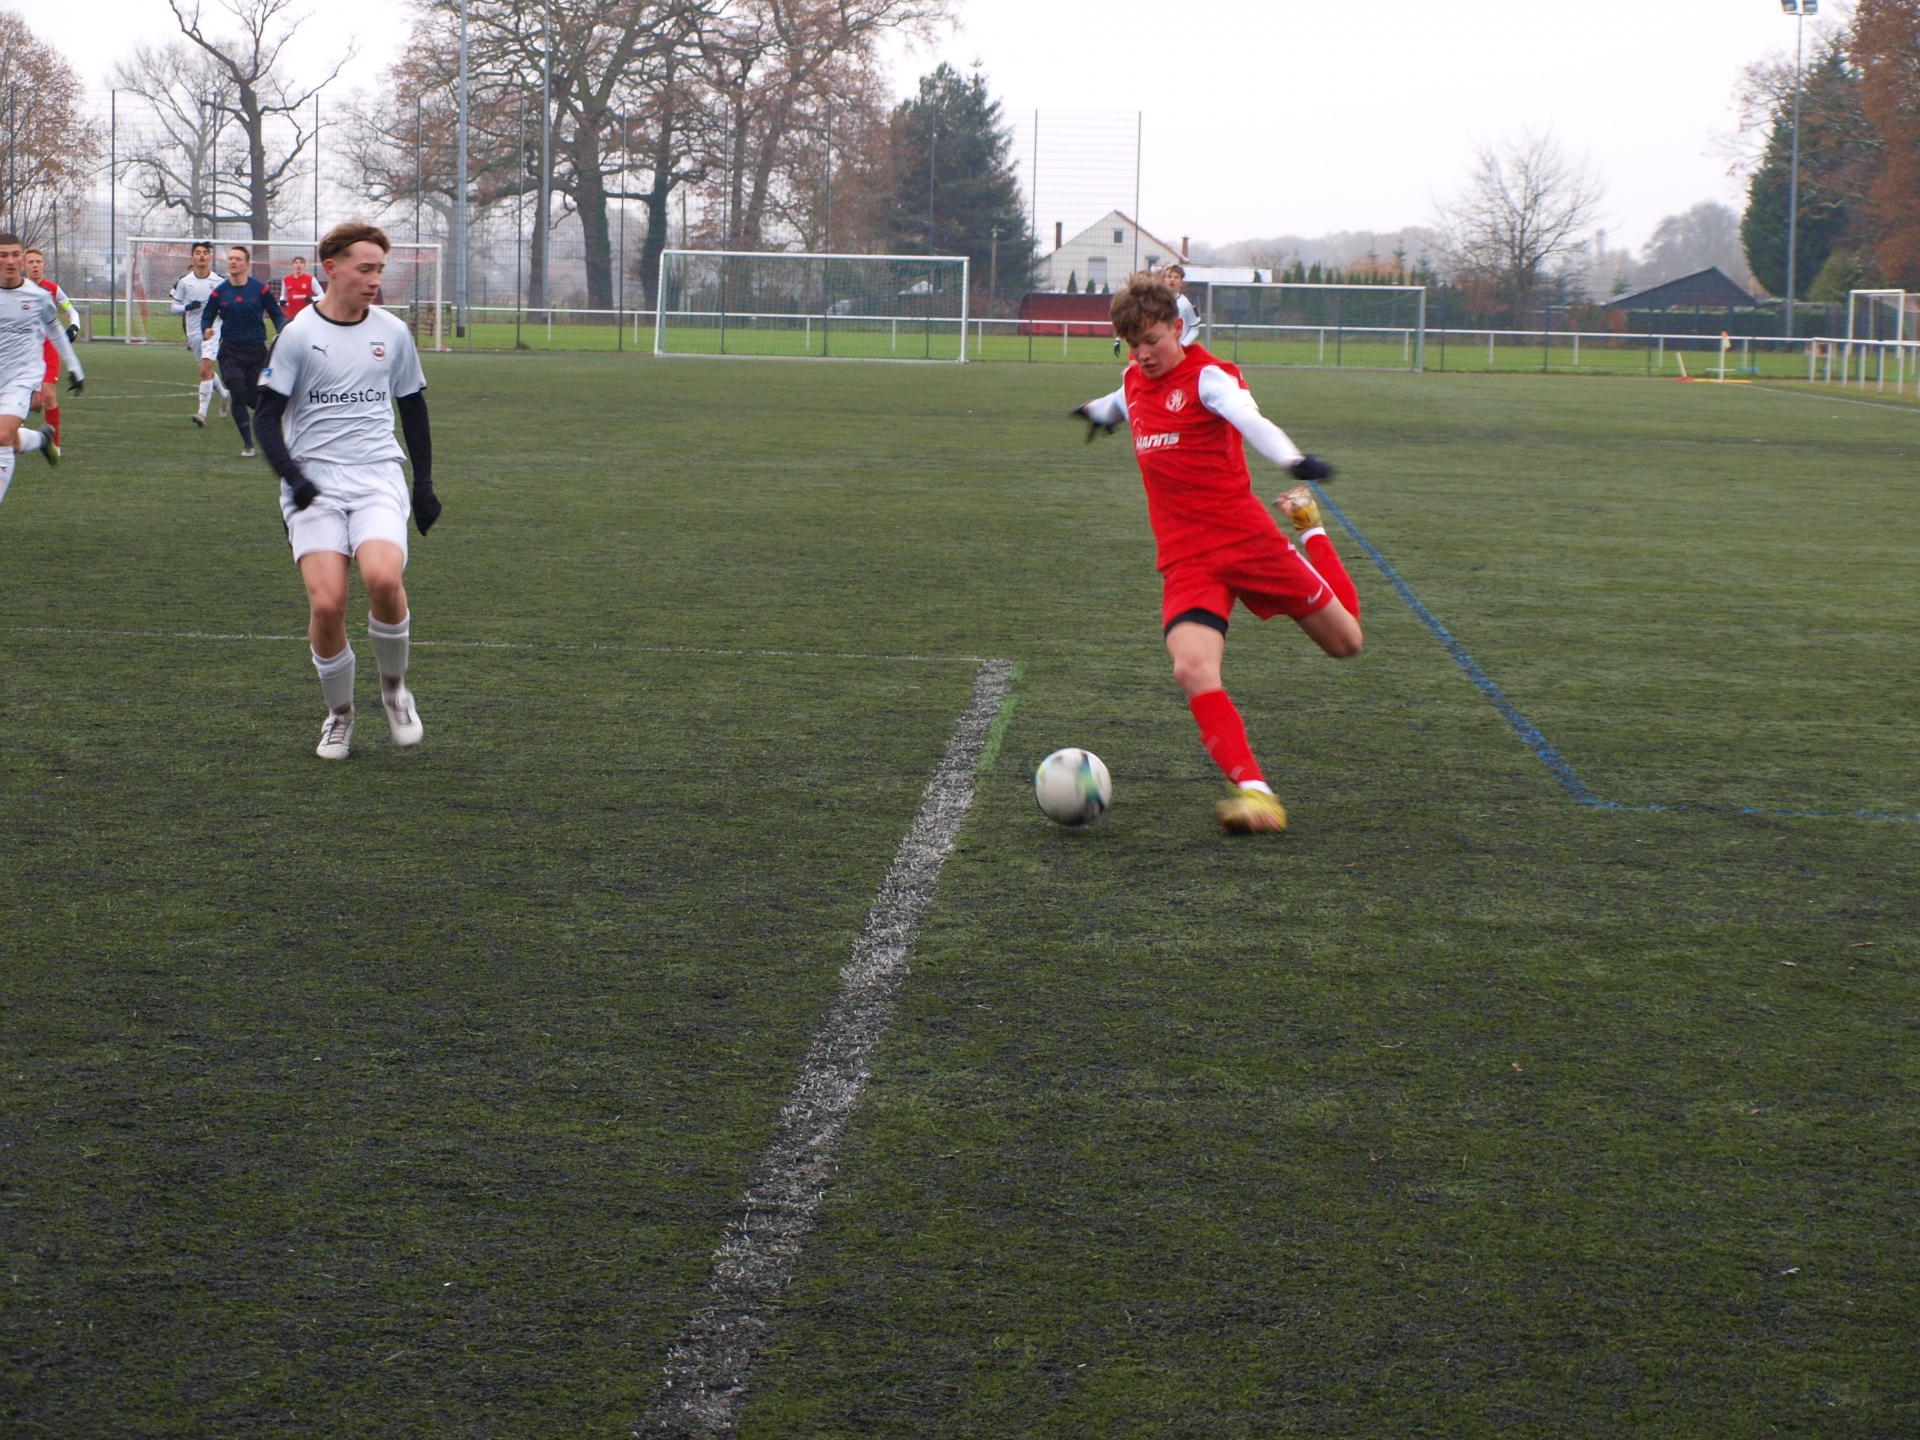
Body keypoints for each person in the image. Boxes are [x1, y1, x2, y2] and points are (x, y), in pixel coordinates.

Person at [1073, 271, 1361, 835]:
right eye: (1134, 346)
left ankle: (1313, 532)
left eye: (1153, 340)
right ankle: (1256, 793)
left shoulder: (1210, 378)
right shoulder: (1133, 382)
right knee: (1191, 667)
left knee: (1347, 642)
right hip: (1188, 560)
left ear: (1178, 328)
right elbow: (1119, 400)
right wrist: (1094, 413)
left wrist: (1294, 461)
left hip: (1247, 541)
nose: (1145, 355)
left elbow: (1249, 418)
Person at [254, 220, 442, 761]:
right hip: (313, 482)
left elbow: (414, 410)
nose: (375, 279)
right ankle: (339, 715)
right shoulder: (295, 335)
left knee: (383, 577)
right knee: (329, 603)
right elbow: (267, 419)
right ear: (330, 269)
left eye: (380, 269)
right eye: (365, 269)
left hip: (376, 475)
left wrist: (424, 486)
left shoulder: (393, 332)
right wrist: (294, 477)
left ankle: (394, 691)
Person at [0, 233, 84, 502]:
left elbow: (56, 329)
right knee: (9, 438)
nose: (10, 261)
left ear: (23, 259)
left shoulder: (39, 295)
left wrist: (75, 367)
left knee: (2, 435)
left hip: (22, 377)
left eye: (15, 254)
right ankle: (41, 439)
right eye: (3, 255)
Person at [201, 244, 287, 457]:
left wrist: (284, 330)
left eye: (238, 259)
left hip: (258, 351)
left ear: (247, 265)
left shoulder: (260, 289)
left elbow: (276, 313)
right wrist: (206, 329)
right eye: (230, 258)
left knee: (258, 398)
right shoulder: (219, 292)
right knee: (238, 392)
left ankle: (276, 425)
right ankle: (248, 444)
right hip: (230, 351)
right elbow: (206, 316)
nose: (233, 262)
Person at [22, 247, 78, 446]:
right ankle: (19, 431)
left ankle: (54, 445)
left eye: (38, 262)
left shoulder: (52, 289)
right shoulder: (16, 289)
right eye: (30, 262)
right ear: (24, 265)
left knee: (49, 394)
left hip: (48, 348)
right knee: (35, 403)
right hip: (25, 350)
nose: (35, 265)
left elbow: (72, 311)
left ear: (44, 265)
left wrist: (74, 327)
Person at [170, 241, 230, 427]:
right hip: (194, 330)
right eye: (198, 252)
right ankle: (225, 394)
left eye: (205, 252)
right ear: (192, 257)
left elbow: (228, 304)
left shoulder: (220, 281)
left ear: (210, 257)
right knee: (207, 370)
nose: (202, 255)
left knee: (204, 369)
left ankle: (201, 413)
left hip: (213, 328)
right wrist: (187, 307)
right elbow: (174, 308)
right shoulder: (184, 282)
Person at [1162, 262, 1202, 346]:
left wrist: (1183, 344)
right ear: (1164, 280)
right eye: (1169, 277)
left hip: (1178, 350)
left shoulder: (1186, 304)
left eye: (1176, 277)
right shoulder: (1156, 302)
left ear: (1181, 282)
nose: (1172, 280)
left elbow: (1194, 329)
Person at [278, 253, 323, 318]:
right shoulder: (286, 279)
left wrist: (312, 299)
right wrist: (282, 300)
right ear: (293, 265)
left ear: (304, 265)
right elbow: (283, 295)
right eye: (296, 263)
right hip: (291, 315)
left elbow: (322, 295)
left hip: (307, 315)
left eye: (301, 263)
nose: (298, 265)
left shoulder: (311, 279)